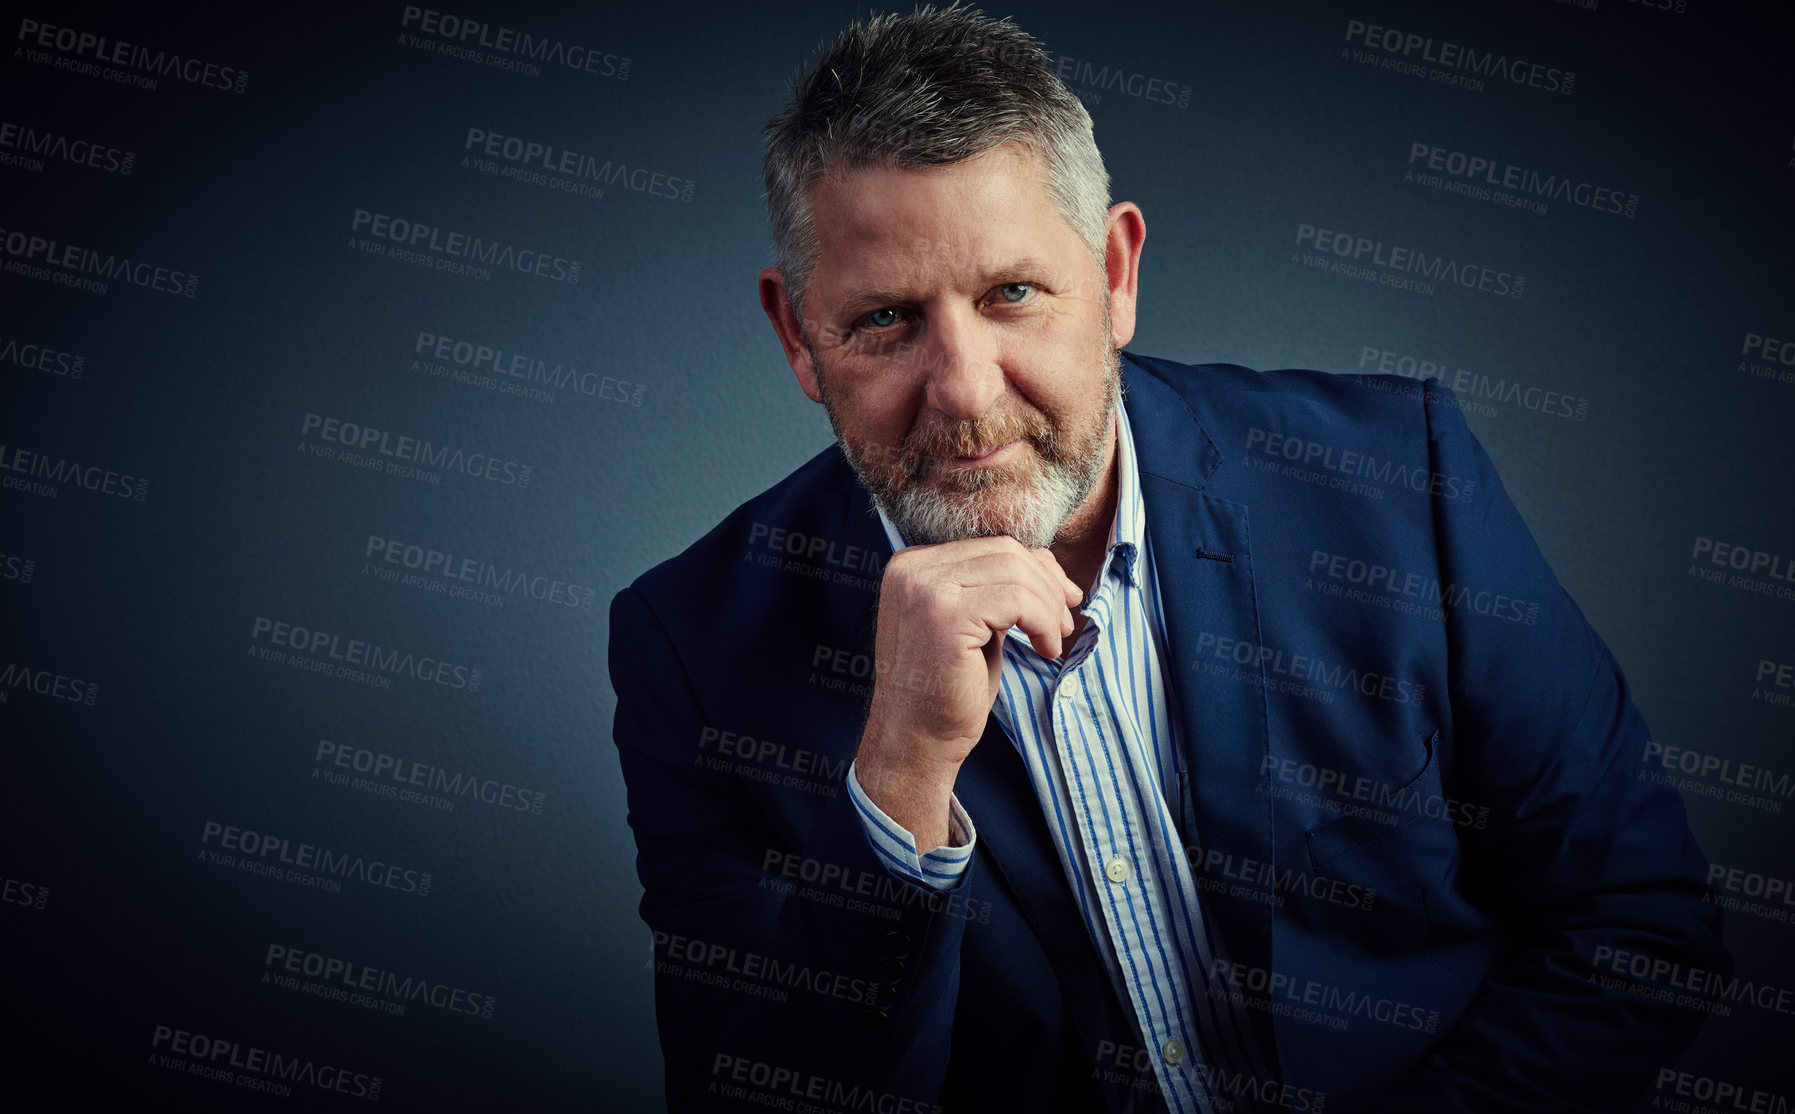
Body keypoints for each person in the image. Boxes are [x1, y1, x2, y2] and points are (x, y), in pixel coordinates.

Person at [608, 7, 1727, 1112]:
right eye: (886, 321)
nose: (963, 390)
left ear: (1114, 271)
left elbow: (1637, 929)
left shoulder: (1397, 481)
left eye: (1010, 294)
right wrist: (896, 787)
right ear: (798, 336)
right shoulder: (692, 647)